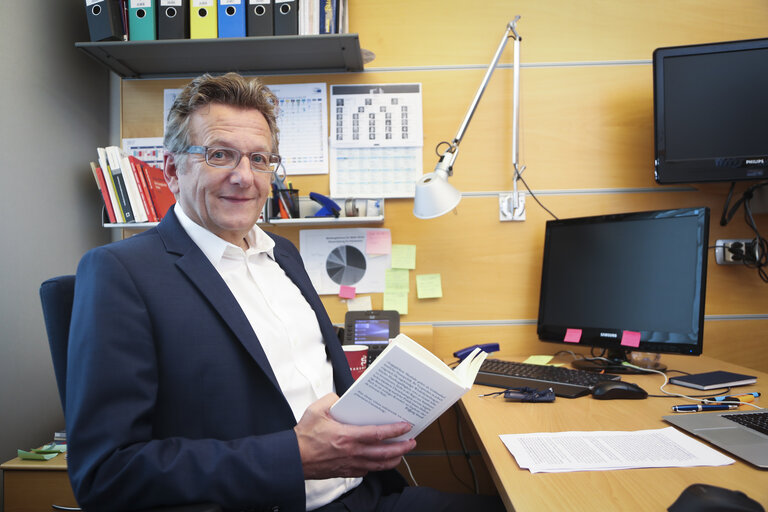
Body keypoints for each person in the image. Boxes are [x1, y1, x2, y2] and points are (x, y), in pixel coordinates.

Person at [66, 72, 505, 512]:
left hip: (369, 494)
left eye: (260, 159)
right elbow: (106, 473)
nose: (245, 177)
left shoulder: (284, 255)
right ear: (172, 169)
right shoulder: (121, 273)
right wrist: (293, 456)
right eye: (220, 155)